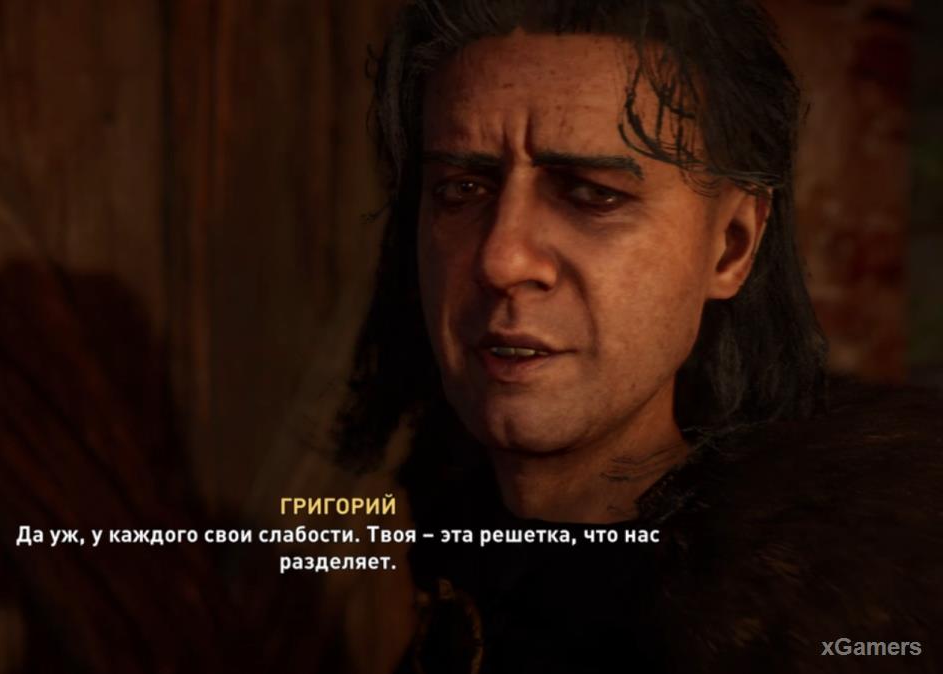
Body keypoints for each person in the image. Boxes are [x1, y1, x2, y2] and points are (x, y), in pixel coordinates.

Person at [334, 1, 943, 671]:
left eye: (593, 195)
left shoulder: (825, 619)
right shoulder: (425, 550)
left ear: (731, 246)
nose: (501, 259)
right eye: (462, 188)